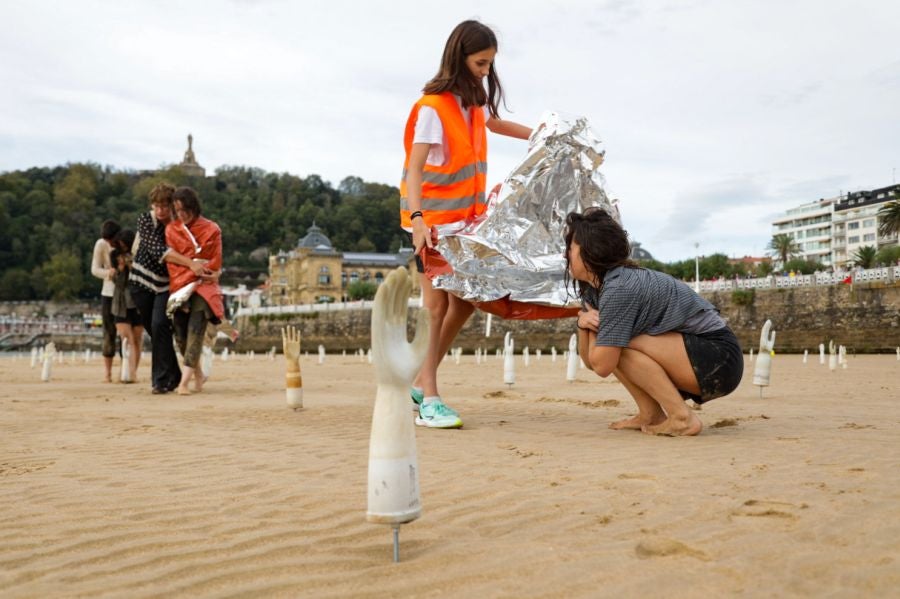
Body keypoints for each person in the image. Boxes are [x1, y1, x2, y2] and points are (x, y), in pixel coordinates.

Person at [400, 20, 533, 429]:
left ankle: (419, 383)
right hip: (433, 223)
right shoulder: (432, 107)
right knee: (436, 306)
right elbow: (415, 169)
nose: (486, 72)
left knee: (465, 300)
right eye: (480, 63)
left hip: (467, 223)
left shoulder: (472, 103)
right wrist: (419, 220)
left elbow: (496, 123)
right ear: (460, 57)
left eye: (491, 64)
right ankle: (429, 401)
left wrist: (544, 136)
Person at [565, 208, 743, 436]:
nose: (566, 255)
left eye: (571, 248)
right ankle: (650, 414)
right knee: (613, 345)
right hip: (694, 357)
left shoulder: (619, 288)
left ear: (589, 251)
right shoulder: (596, 290)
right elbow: (592, 362)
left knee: (618, 345)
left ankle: (681, 418)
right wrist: (582, 326)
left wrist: (594, 332)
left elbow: (601, 366)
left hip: (719, 358)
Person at [129, 183, 209, 395]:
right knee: (156, 333)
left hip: (166, 284)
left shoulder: (178, 225)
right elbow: (159, 251)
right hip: (140, 282)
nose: (160, 210)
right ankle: (173, 375)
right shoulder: (145, 220)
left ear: (172, 206)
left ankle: (161, 381)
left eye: (165, 206)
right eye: (156, 206)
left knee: (160, 325)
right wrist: (190, 263)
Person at [165, 186, 224, 396]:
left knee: (196, 331)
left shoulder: (212, 229)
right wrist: (191, 265)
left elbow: (214, 261)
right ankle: (198, 374)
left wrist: (208, 270)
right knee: (180, 335)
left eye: (184, 209)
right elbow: (171, 260)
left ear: (193, 207)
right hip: (180, 286)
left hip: (203, 286)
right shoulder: (171, 229)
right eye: (177, 210)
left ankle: (184, 382)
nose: (181, 214)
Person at [109, 229, 143, 382]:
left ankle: (132, 371)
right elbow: (116, 282)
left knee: (136, 339)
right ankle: (126, 370)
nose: (122, 249)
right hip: (120, 301)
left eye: (124, 246)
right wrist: (119, 270)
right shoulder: (114, 255)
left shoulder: (139, 255)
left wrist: (132, 267)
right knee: (126, 338)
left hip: (137, 301)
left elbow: (142, 278)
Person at [90, 219, 121, 382]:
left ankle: (125, 370)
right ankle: (107, 373)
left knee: (125, 333)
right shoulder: (100, 244)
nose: (110, 243)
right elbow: (94, 269)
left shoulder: (125, 243)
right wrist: (108, 273)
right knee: (109, 332)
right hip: (108, 292)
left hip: (124, 293)